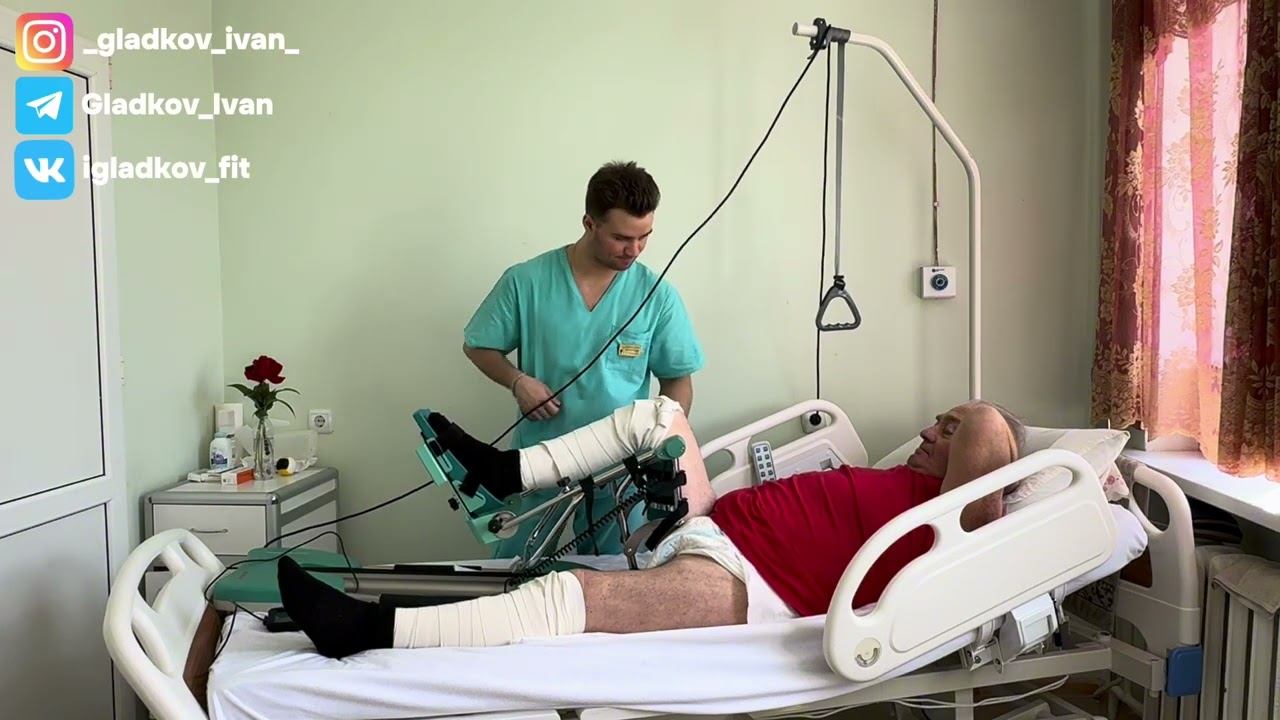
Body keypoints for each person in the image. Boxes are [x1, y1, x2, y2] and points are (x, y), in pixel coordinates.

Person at [278, 397, 1025, 659]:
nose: (929, 431)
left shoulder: (953, 516)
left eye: (947, 429)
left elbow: (992, 433)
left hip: (748, 586)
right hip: (717, 527)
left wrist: (989, 424)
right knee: (659, 415)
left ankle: (368, 632)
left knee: (574, 596)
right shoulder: (907, 483)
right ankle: (503, 474)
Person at [461, 161, 704, 558]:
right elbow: (478, 345)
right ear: (589, 223)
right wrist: (518, 381)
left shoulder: (656, 295)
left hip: (620, 472)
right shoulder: (527, 282)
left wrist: (662, 448)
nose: (634, 250)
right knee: (513, 571)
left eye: (644, 237)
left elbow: (677, 379)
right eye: (621, 238)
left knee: (614, 576)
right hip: (539, 462)